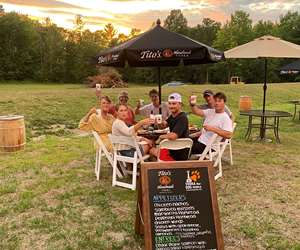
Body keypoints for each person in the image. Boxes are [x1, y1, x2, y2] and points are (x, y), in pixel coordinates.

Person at [150, 93, 190, 161]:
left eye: (174, 104)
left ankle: (159, 169)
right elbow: (163, 126)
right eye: (169, 103)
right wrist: (158, 122)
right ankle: (160, 167)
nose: (171, 106)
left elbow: (173, 136)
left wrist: (160, 137)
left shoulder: (182, 117)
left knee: (151, 150)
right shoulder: (172, 116)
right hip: (173, 147)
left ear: (180, 104)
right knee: (152, 146)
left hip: (178, 152)